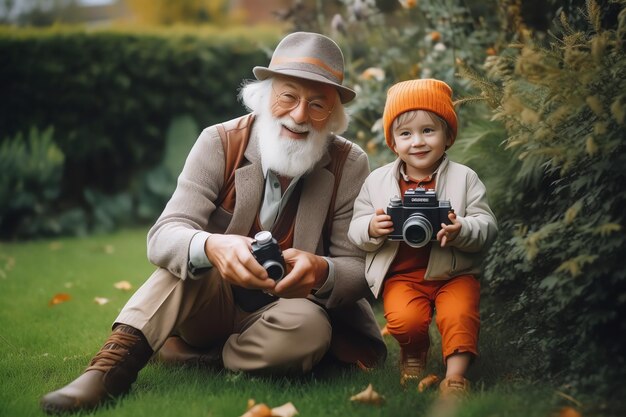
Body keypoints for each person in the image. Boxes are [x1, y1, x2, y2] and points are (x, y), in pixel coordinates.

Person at [41, 31, 387, 414]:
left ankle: (199, 358)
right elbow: (165, 234)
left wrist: (323, 270)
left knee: (312, 331)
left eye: (318, 105)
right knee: (182, 266)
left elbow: (359, 268)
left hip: (289, 310)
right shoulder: (219, 142)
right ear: (265, 94)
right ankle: (108, 370)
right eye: (288, 96)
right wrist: (211, 245)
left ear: (333, 115)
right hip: (210, 301)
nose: (300, 115)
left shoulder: (348, 163)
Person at [347, 79, 497, 398]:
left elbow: (487, 225)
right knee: (404, 321)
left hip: (454, 273)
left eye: (428, 130)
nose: (418, 141)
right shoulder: (377, 182)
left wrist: (462, 230)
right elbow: (355, 227)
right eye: (406, 133)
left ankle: (456, 376)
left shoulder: (465, 178)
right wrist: (373, 229)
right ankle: (413, 353)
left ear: (448, 136)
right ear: (393, 142)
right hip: (403, 275)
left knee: (459, 317)